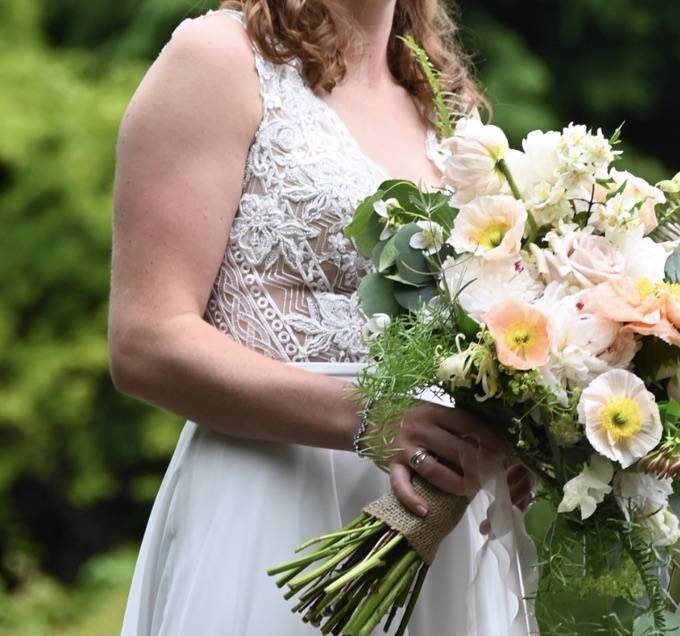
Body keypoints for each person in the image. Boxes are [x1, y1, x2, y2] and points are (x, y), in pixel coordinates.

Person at [109, 1, 534, 634]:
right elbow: (145, 341)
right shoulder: (221, 59)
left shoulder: (449, 111)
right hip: (269, 506)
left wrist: (515, 432)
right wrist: (371, 419)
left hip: (429, 526)